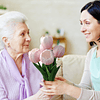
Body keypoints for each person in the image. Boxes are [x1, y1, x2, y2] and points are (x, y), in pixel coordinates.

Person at [41, 0, 100, 100]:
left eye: (87, 23)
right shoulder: (91, 54)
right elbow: (86, 88)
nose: (82, 29)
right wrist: (68, 85)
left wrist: (67, 89)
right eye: (81, 23)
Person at [0, 11, 50, 100]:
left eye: (28, 33)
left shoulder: (36, 59)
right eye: (22, 34)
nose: (29, 38)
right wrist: (35, 98)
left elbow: (47, 94)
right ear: (6, 41)